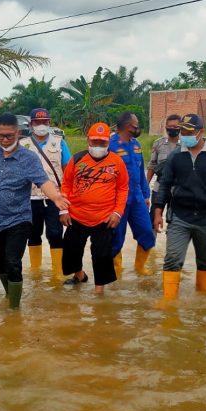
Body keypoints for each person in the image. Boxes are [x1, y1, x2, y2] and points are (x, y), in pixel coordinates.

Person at [0, 113, 69, 309]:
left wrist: (56, 198)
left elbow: (43, 181)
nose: (5, 140)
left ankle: (14, 309)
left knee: (12, 262)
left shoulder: (28, 158)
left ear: (18, 133)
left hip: (19, 219)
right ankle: (10, 293)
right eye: (1, 136)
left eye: (9, 136)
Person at [153, 113, 206, 299]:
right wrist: (158, 212)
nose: (184, 135)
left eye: (189, 132)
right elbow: (165, 185)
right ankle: (169, 303)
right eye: (182, 131)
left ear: (201, 132)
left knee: (205, 261)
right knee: (172, 259)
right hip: (179, 216)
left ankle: (203, 303)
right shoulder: (175, 156)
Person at [59, 122, 128, 294]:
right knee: (71, 250)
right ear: (88, 140)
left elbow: (123, 188)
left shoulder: (117, 162)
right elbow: (66, 184)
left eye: (102, 142)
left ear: (108, 142)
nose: (98, 145)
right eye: (94, 141)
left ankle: (99, 291)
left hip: (104, 218)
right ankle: (79, 276)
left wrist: (118, 212)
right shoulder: (77, 159)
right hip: (76, 215)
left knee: (102, 254)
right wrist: (63, 210)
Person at [19, 108, 71, 275]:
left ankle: (58, 273)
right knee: (33, 235)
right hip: (30, 199)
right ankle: (36, 273)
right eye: (37, 122)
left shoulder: (60, 143)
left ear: (49, 123)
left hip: (54, 199)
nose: (41, 125)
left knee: (55, 234)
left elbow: (68, 173)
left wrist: (66, 204)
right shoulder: (22, 145)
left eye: (44, 122)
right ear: (31, 124)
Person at [109, 111, 155, 276]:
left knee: (147, 232)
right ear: (129, 126)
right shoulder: (110, 145)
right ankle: (116, 271)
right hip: (117, 200)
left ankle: (140, 268)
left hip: (137, 198)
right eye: (136, 125)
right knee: (116, 237)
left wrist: (146, 195)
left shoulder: (136, 144)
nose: (138, 128)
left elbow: (140, 172)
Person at [146, 114, 181, 228]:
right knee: (153, 218)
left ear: (180, 127)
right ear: (166, 127)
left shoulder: (186, 145)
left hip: (178, 189)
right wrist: (146, 185)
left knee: (174, 221)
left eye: (176, 126)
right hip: (159, 187)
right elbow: (152, 165)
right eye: (170, 126)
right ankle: (151, 239)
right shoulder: (158, 143)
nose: (173, 129)